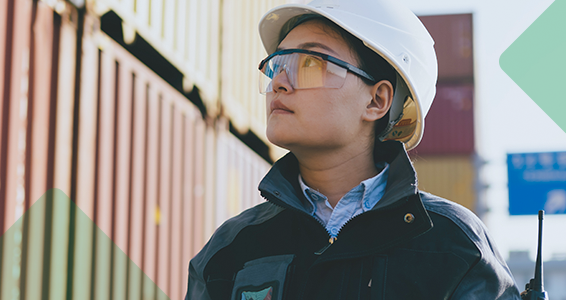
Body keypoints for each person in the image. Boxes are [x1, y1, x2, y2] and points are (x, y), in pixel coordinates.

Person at [187, 0, 522, 299]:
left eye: (309, 64)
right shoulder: (228, 251)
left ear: (377, 101)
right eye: (276, 64)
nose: (279, 82)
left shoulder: (455, 246)